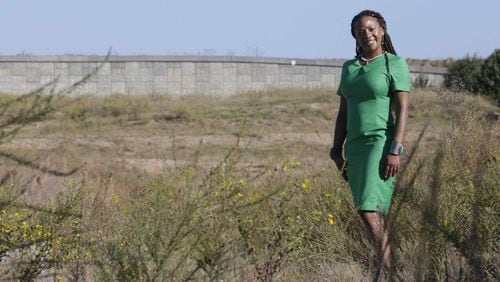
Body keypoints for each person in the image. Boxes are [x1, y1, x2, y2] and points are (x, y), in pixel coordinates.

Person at [330, 10, 410, 273]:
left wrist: (395, 149)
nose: (367, 34)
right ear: (354, 36)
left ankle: (389, 271)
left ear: (382, 30)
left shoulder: (393, 64)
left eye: (372, 28)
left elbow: (403, 109)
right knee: (371, 211)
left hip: (380, 143)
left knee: (368, 210)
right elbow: (344, 111)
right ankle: (389, 267)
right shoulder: (349, 68)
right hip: (354, 146)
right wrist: (335, 149)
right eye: (360, 30)